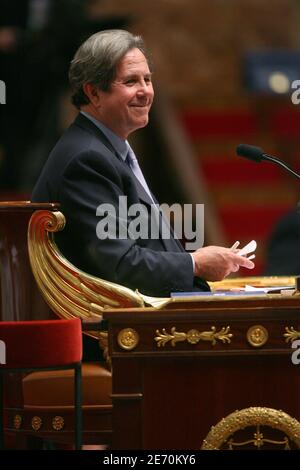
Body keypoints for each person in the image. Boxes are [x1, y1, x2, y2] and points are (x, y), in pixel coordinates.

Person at [31, 29, 254, 300]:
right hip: (112, 335)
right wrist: (196, 263)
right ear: (93, 93)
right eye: (131, 81)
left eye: (147, 79)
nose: (146, 91)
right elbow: (121, 265)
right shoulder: (87, 160)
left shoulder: (108, 150)